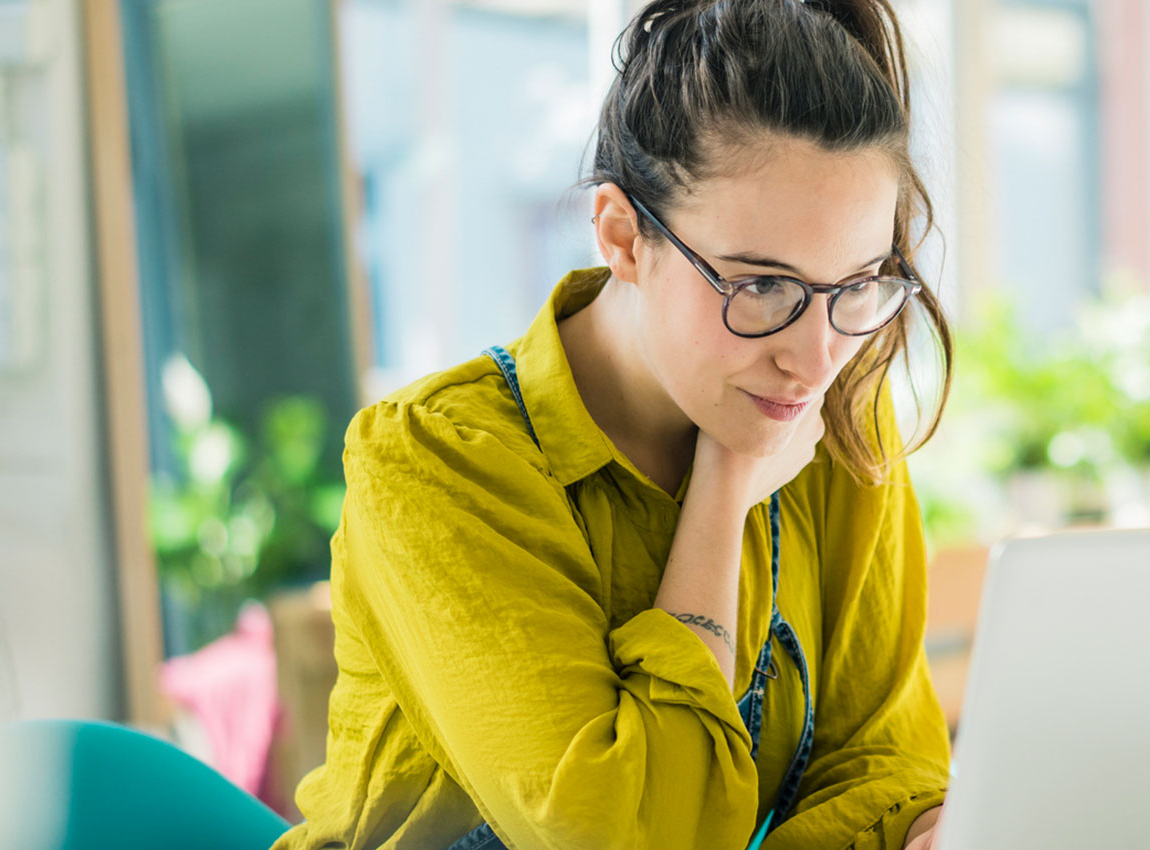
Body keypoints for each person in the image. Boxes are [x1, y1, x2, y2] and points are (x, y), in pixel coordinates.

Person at [272, 0, 955, 847]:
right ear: (622, 235)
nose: (814, 358)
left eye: (855, 286)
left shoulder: (836, 416)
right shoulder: (437, 462)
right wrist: (724, 491)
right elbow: (621, 835)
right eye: (761, 288)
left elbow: (888, 762)